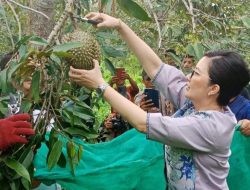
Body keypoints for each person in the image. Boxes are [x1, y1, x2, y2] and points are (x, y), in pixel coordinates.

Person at [69, 12, 250, 189]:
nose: (188, 76)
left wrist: (100, 85)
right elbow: (157, 69)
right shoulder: (195, 102)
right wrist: (119, 26)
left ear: (213, 89)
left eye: (195, 73)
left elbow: (142, 123)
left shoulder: (211, 126)